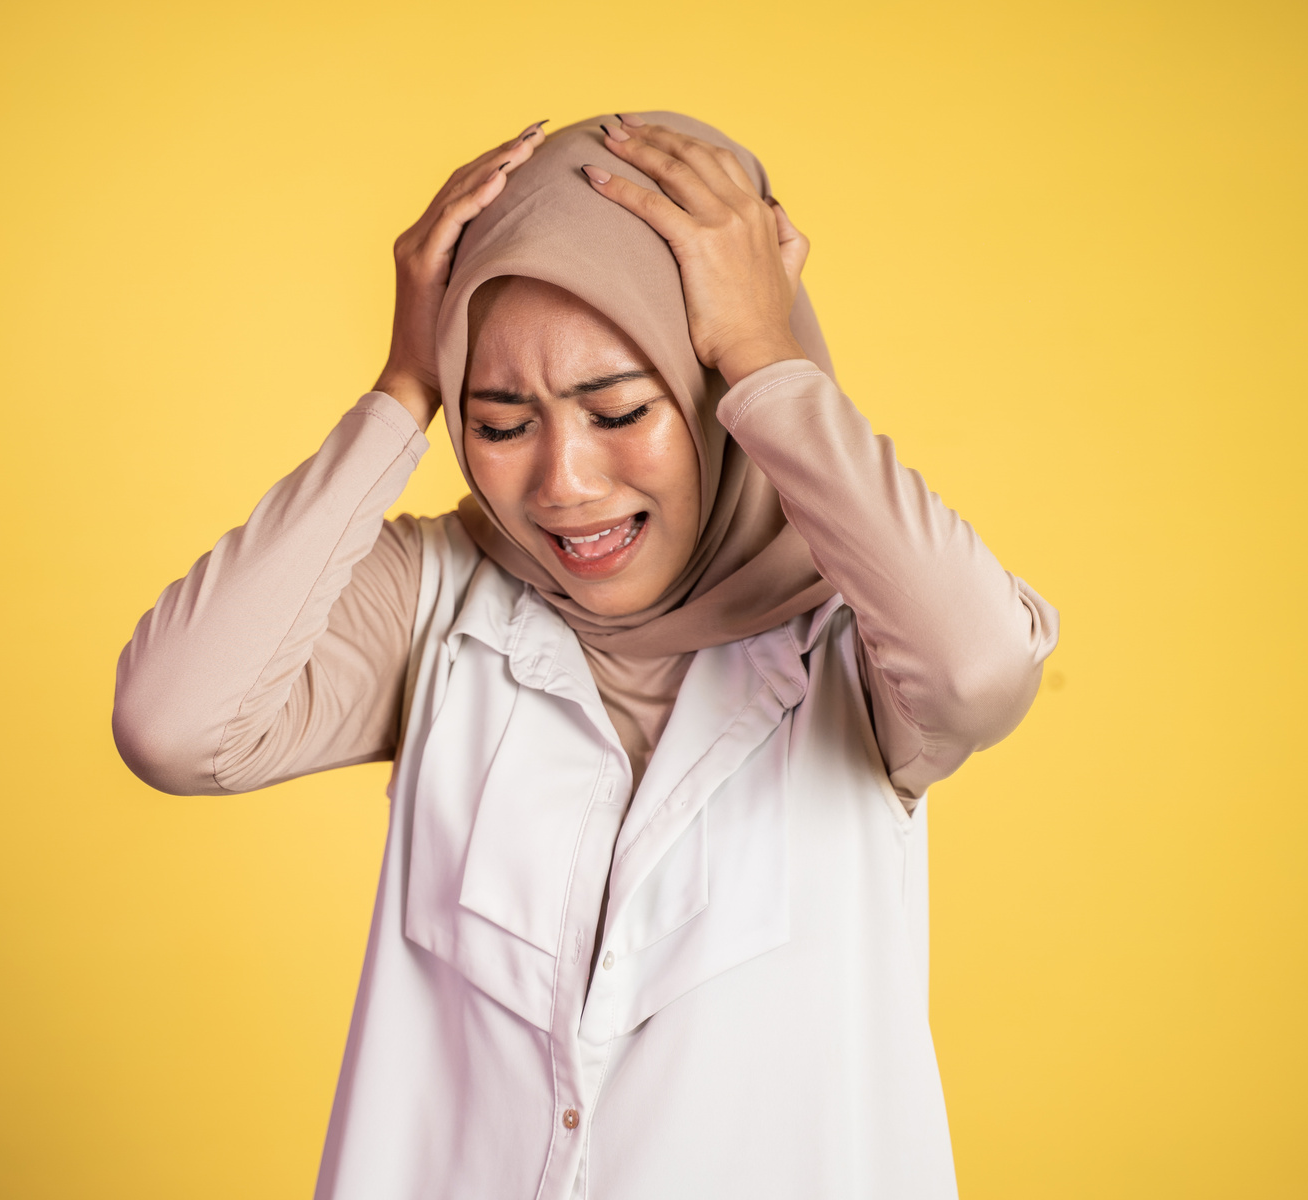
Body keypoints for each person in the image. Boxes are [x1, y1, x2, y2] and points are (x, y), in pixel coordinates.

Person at [112, 111, 1059, 1200]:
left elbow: (981, 670)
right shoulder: (438, 601)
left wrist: (767, 354)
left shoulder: (855, 641)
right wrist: (404, 389)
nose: (563, 483)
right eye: (502, 423)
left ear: (715, 399)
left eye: (618, 409)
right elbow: (173, 725)